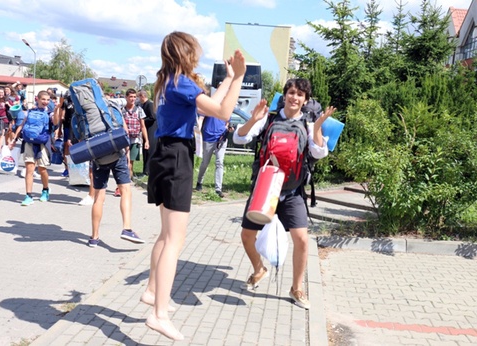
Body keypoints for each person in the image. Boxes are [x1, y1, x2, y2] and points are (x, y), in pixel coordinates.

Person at [142, 31, 246, 341]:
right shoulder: (182, 82)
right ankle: (159, 314)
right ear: (186, 53)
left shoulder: (169, 81)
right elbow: (223, 113)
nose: (198, 57)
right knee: (175, 239)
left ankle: (151, 291)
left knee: (165, 234)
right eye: (195, 52)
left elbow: (210, 104)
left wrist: (227, 80)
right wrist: (240, 77)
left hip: (165, 154)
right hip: (176, 158)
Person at [233, 78, 337, 310]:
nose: (294, 98)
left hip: (291, 192)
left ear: (305, 100)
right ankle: (259, 269)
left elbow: (319, 153)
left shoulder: (309, 125)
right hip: (265, 189)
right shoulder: (269, 119)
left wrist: (318, 127)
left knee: (301, 239)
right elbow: (239, 138)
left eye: (300, 95)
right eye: (291, 93)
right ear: (285, 95)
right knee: (246, 236)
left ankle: (296, 288)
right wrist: (253, 119)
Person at [86, 92, 145, 247]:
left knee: (99, 197)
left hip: (98, 157)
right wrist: (126, 150)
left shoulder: (85, 113)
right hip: (116, 154)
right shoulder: (112, 107)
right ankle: (126, 228)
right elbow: (124, 131)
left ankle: (94, 237)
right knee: (125, 190)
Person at [9, 90, 61, 206]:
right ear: (37, 99)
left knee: (42, 170)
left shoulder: (50, 113)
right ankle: (28, 195)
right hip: (29, 143)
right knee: (29, 170)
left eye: (48, 100)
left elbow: (56, 122)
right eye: (43, 99)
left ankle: (45, 189)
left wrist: (57, 110)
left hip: (43, 144)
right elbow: (21, 126)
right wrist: (14, 140)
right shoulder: (30, 111)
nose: (45, 102)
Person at [195, 109, 231, 198]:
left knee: (219, 163)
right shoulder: (209, 105)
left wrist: (228, 128)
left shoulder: (226, 107)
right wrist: (197, 131)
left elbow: (227, 122)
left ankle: (218, 189)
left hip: (221, 138)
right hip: (208, 137)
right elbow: (201, 119)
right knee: (205, 162)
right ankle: (199, 182)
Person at [122, 88, 149, 180]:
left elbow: (143, 126)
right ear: (126, 97)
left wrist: (146, 141)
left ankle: (128, 180)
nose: (132, 99)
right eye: (130, 97)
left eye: (134, 97)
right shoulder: (122, 110)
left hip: (135, 139)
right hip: (123, 139)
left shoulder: (139, 110)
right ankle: (124, 180)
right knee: (124, 160)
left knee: (131, 161)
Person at [138, 90, 157, 176]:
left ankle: (147, 170)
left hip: (151, 129)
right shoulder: (143, 105)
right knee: (145, 151)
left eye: (139, 96)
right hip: (146, 129)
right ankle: (145, 170)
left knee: (149, 150)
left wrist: (142, 121)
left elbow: (153, 117)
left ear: (143, 96)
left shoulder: (149, 104)